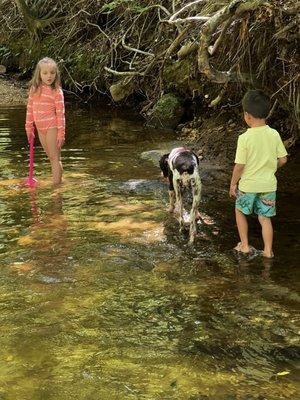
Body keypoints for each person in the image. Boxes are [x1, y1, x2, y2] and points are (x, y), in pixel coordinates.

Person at [229, 89, 287, 258]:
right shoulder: (274, 134)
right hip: (268, 185)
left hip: (248, 185)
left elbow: (240, 166)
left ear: (247, 115)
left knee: (240, 211)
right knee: (264, 217)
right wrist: (270, 168)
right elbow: (283, 160)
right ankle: (268, 251)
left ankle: (245, 245)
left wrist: (233, 184)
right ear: (267, 113)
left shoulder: (244, 138)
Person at [25, 57, 65, 185]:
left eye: (52, 73)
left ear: (56, 74)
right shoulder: (34, 89)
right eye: (45, 73)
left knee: (54, 158)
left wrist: (61, 133)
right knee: (52, 158)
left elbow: (60, 114)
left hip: (52, 127)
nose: (49, 76)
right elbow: (30, 109)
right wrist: (29, 127)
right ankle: (59, 182)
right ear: (39, 74)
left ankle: (56, 188)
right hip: (40, 128)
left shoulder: (57, 92)